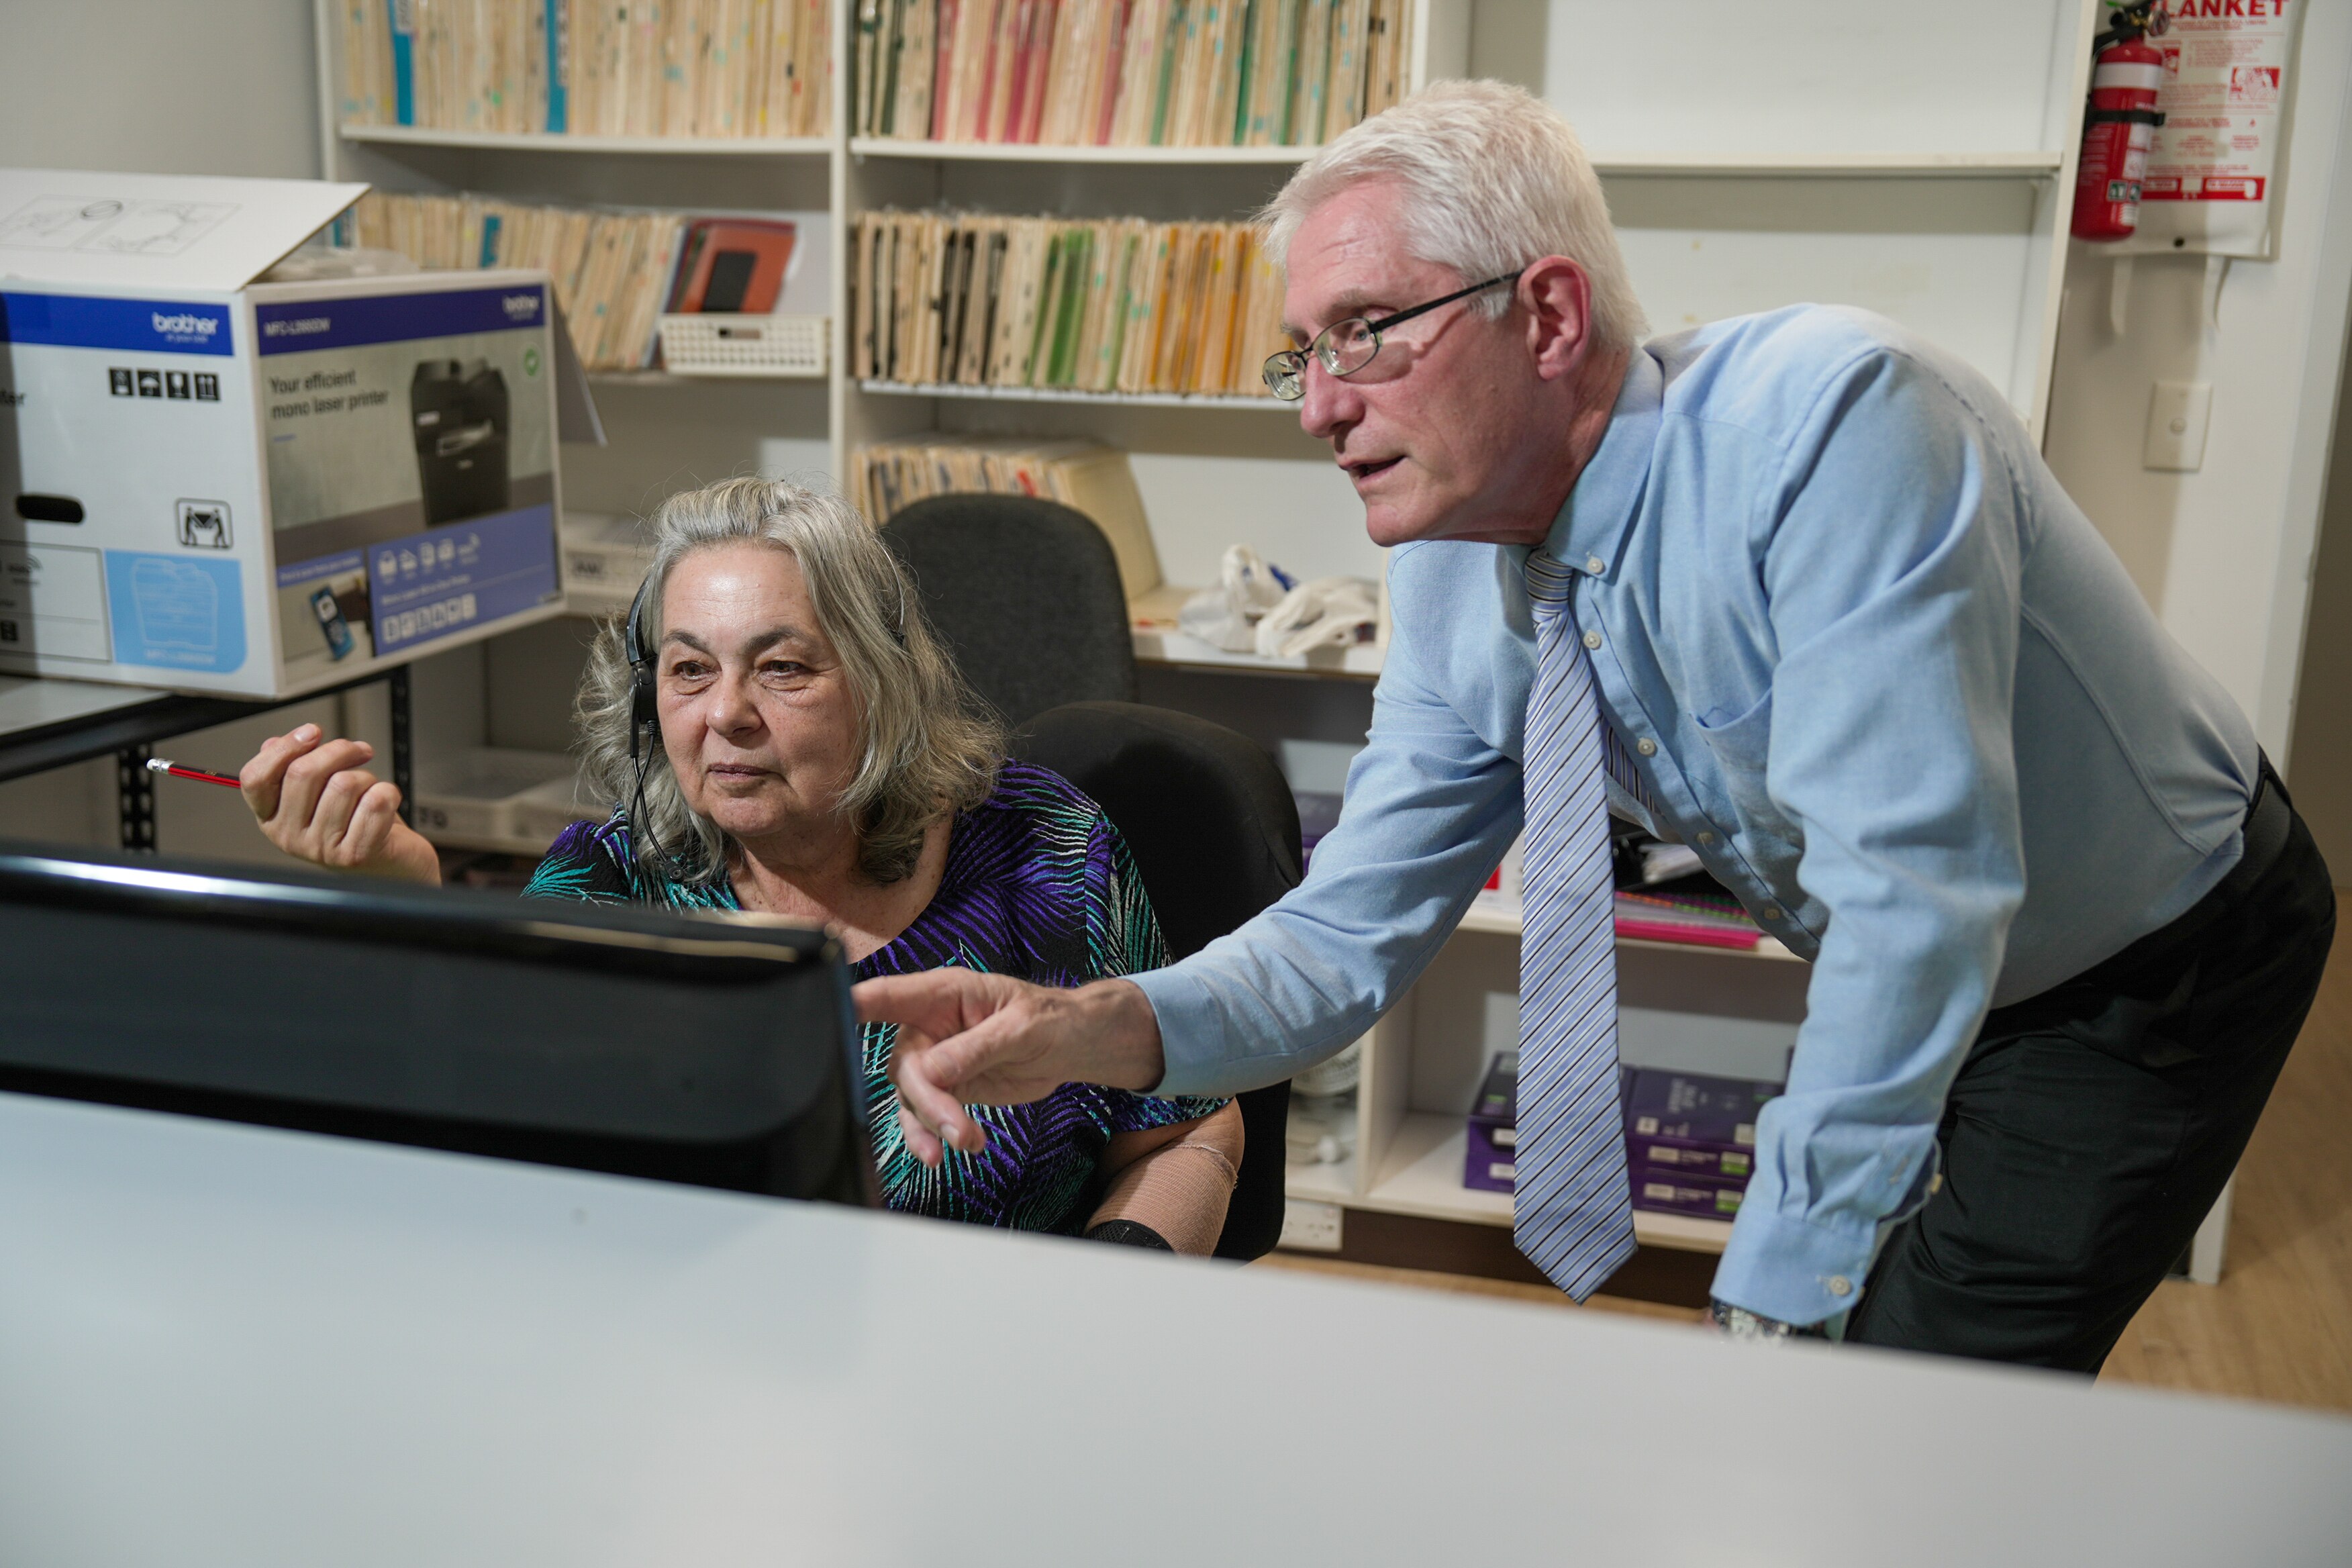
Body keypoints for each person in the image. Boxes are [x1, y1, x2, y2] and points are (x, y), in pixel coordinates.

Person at [861, 81, 2337, 1368]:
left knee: (1921, 1406)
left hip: (2145, 959)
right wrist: (1090, 1029)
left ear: (1549, 313)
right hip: (1932, 949)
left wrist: (1765, 1305)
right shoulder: (1449, 566)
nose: (1315, 406)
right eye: (1299, 353)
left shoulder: (1842, 431)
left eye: (1363, 334)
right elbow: (1342, 936)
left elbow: (1914, 906)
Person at [239, 478, 1242, 1253]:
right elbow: (494, 1145)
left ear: (882, 685)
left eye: (782, 666)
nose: (724, 714)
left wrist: (1116, 1298)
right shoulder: (607, 888)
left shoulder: (1047, 852)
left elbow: (1192, 1131)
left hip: (997, 1379)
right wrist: (406, 896)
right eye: (688, 670)